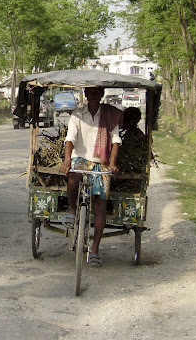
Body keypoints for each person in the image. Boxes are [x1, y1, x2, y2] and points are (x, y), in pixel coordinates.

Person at [60, 86, 123, 268]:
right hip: (80, 158)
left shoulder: (110, 115)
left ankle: (94, 249)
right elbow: (70, 138)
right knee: (73, 176)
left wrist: (112, 163)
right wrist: (66, 160)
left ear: (102, 94)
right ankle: (72, 210)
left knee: (99, 205)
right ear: (86, 94)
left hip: (100, 162)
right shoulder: (78, 114)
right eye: (91, 92)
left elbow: (115, 141)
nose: (94, 95)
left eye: (97, 92)